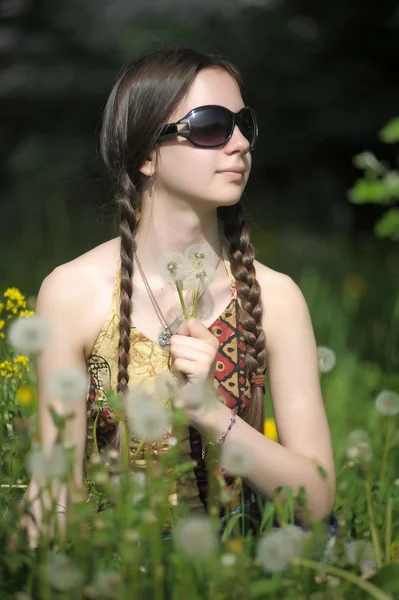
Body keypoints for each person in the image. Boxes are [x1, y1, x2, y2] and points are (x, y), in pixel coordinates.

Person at [23, 46, 337, 546]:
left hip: (249, 555)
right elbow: (58, 484)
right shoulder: (73, 293)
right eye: (211, 126)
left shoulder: (277, 297)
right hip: (124, 558)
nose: (238, 144)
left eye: (243, 124)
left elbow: (317, 502)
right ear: (146, 155)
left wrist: (210, 412)